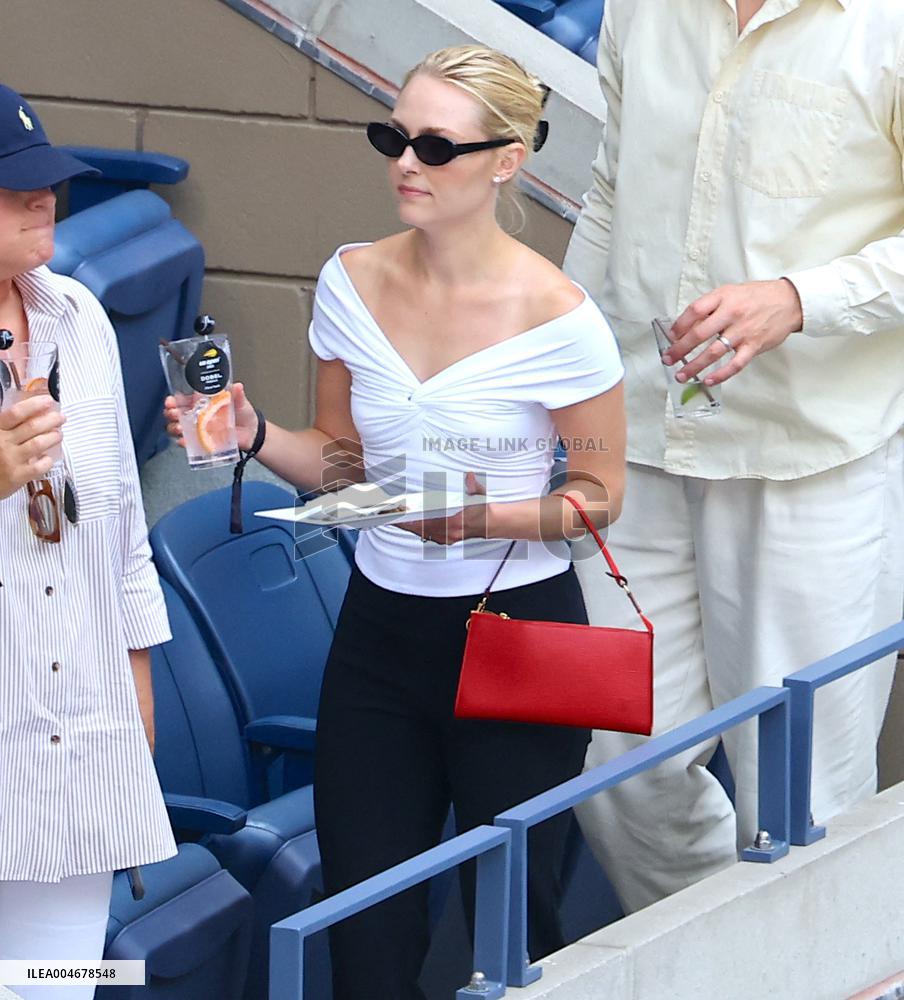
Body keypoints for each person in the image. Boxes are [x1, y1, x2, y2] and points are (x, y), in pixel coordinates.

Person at [167, 44, 625, 999]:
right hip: (379, 633)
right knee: (366, 925)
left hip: (520, 632)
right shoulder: (349, 280)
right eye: (392, 137)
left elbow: (597, 498)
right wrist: (253, 434)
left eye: (434, 145)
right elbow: (344, 461)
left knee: (514, 928)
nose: (406, 163)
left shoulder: (561, 317)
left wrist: (475, 519)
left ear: (509, 159)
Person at [563, 0, 904, 913]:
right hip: (634, 443)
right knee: (606, 758)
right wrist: (557, 374)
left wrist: (801, 297)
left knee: (800, 799)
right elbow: (609, 191)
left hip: (811, 460)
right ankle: (728, 959)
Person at [0, 86, 176, 997]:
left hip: (82, 746)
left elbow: (122, 539)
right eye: (14, 186)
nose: (45, 199)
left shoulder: (79, 315)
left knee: (57, 987)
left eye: (48, 181)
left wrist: (135, 723)